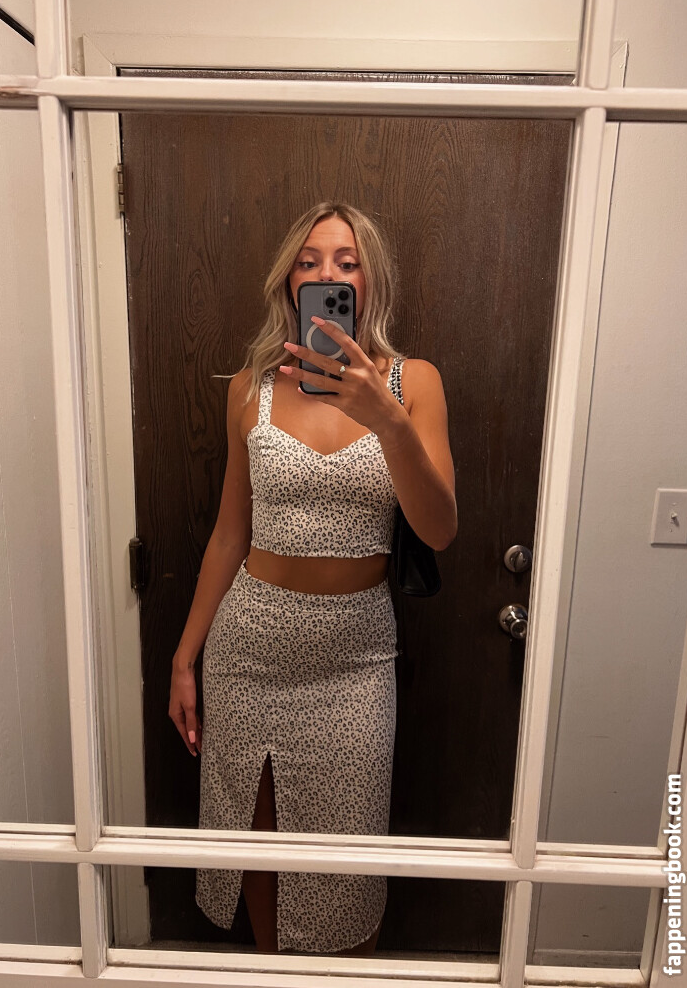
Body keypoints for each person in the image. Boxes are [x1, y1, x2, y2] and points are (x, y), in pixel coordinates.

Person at [169, 201, 457, 955]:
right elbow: (229, 533)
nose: (327, 272)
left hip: (356, 662)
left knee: (345, 865)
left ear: (368, 282)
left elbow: (439, 527)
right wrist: (184, 657)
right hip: (249, 654)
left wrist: (386, 417)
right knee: (261, 851)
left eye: (346, 262)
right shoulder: (251, 387)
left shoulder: (414, 382)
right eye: (310, 261)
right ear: (289, 282)